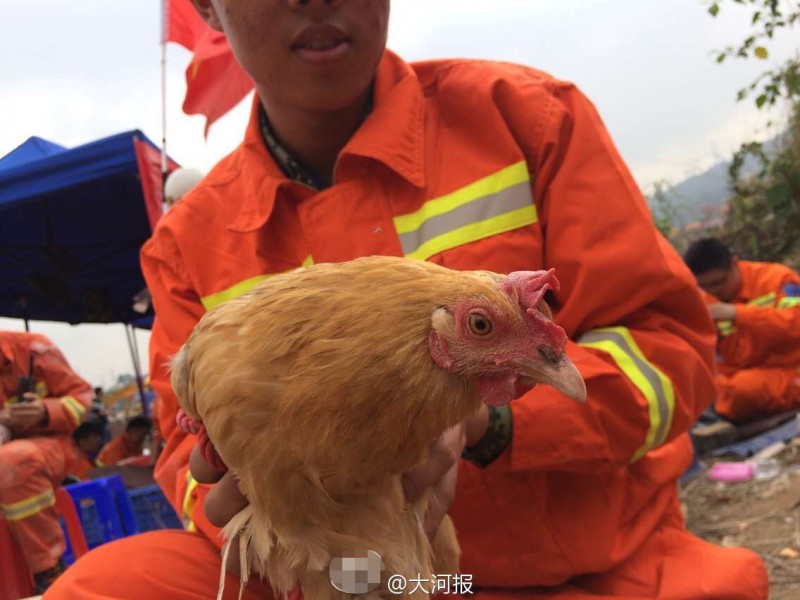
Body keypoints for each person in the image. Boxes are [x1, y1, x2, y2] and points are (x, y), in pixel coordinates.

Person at [47, 2, 768, 599]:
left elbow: (674, 353)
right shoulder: (188, 241)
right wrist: (235, 489)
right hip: (341, 575)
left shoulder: (528, 120)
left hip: (569, 569)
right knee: (105, 586)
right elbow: (180, 450)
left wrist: (489, 425)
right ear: (206, 6)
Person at [0, 330, 92, 594]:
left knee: (13, 463)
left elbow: (82, 400)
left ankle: (48, 571)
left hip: (51, 445)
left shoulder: (33, 349)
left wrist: (44, 411)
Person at [683, 237, 800, 423]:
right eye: (704, 286)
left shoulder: (777, 278)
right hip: (739, 375)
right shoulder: (703, 299)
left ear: (734, 263)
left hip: (789, 370)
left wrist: (738, 314)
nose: (714, 291)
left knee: (743, 390)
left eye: (719, 282)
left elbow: (796, 324)